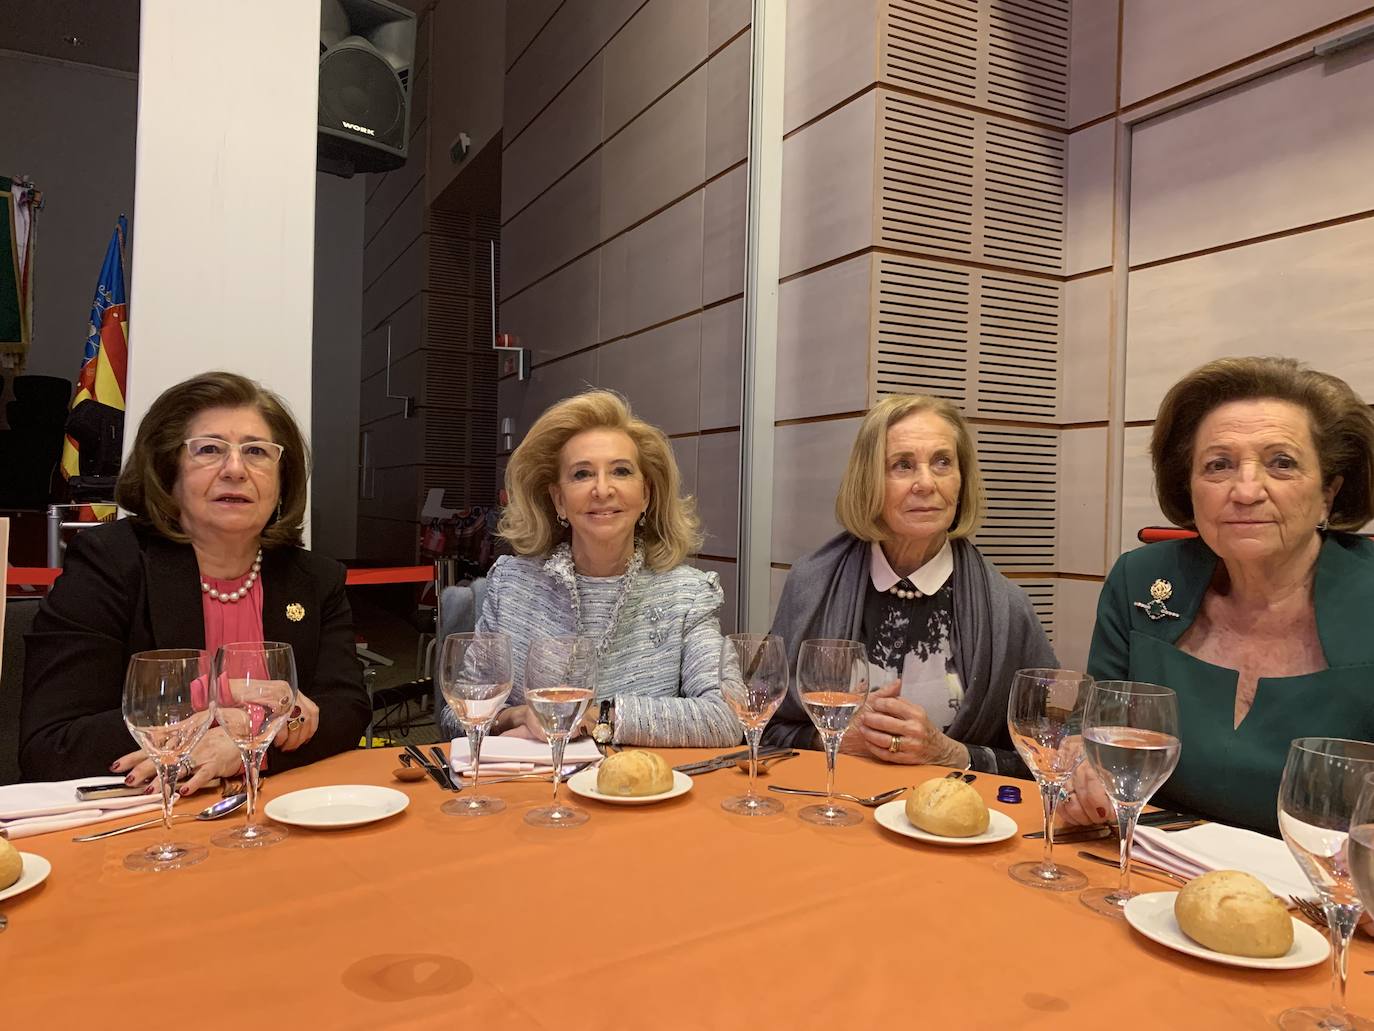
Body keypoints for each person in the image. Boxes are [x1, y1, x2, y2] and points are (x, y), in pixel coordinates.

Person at [20, 372, 370, 789]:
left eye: (257, 451)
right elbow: (52, 745)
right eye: (209, 450)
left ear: (282, 480)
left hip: (273, 816)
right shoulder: (111, 561)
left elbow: (345, 710)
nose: (236, 469)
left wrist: (242, 751)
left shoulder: (315, 577)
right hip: (141, 821)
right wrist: (222, 716)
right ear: (169, 472)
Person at [1077, 356, 1374, 835]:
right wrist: (1083, 772)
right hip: (1146, 870)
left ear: (1329, 492)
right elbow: (1090, 735)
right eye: (1219, 465)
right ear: (1190, 488)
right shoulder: (1141, 580)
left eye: (1282, 463)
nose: (1246, 490)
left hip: (1329, 894)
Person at [765, 394, 1057, 773]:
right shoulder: (811, 585)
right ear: (868, 480)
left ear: (961, 478)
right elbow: (760, 726)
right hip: (829, 812)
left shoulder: (1007, 608)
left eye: (942, 462)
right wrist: (832, 736)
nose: (926, 483)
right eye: (903, 465)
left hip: (955, 822)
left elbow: (1057, 759)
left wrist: (950, 753)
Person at [439, 390, 738, 748]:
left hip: (639, 796)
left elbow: (727, 716)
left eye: (621, 471)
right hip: (529, 794)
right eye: (582, 474)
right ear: (558, 499)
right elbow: (456, 715)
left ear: (645, 494)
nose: (602, 489)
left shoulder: (687, 595)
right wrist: (516, 716)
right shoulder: (511, 584)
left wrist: (601, 717)